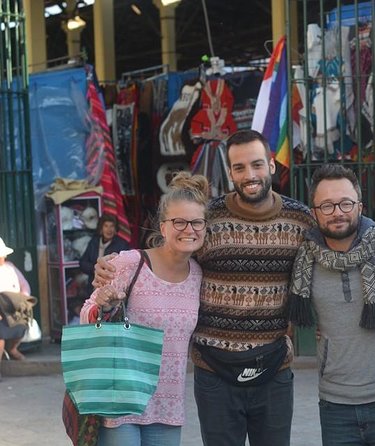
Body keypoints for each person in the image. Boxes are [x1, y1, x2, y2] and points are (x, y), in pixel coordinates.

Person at [93, 130, 314, 446]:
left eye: (257, 165)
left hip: (274, 368)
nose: (249, 175)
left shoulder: (300, 220)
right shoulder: (210, 217)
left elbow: (335, 249)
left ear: (272, 165)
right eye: (239, 168)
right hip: (214, 372)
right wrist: (112, 266)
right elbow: (172, 250)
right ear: (230, 173)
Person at [288, 164, 375, 446]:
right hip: (335, 405)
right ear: (314, 212)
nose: (337, 212)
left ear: (360, 206)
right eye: (327, 205)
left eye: (345, 203)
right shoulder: (304, 262)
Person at [80, 172, 209, 446]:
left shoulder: (199, 275)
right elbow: (87, 312)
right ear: (163, 227)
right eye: (179, 222)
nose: (189, 229)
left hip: (168, 407)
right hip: (122, 401)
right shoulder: (131, 263)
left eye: (197, 222)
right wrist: (103, 303)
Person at [79, 214, 131, 297]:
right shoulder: (94, 242)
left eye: (112, 226)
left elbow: (127, 268)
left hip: (112, 290)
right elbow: (82, 263)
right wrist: (96, 269)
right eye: (106, 226)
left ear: (115, 229)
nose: (109, 230)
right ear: (101, 228)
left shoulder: (122, 245)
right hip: (93, 288)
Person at [0, 237, 31, 368]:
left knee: (22, 325)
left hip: (13, 308)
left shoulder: (10, 267)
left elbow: (25, 286)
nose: (2, 259)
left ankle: (13, 349)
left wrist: (21, 301)